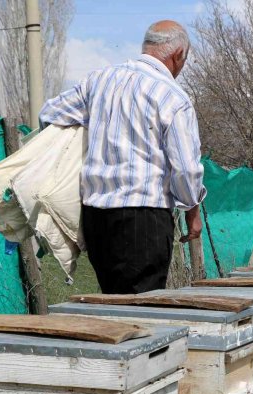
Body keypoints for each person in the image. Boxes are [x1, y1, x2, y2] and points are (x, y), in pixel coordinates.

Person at [38, 20, 206, 294]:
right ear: (177, 56)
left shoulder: (99, 80)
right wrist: (192, 212)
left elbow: (49, 114)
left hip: (96, 217)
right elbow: (186, 171)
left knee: (113, 303)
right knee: (141, 314)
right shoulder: (173, 98)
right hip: (144, 218)